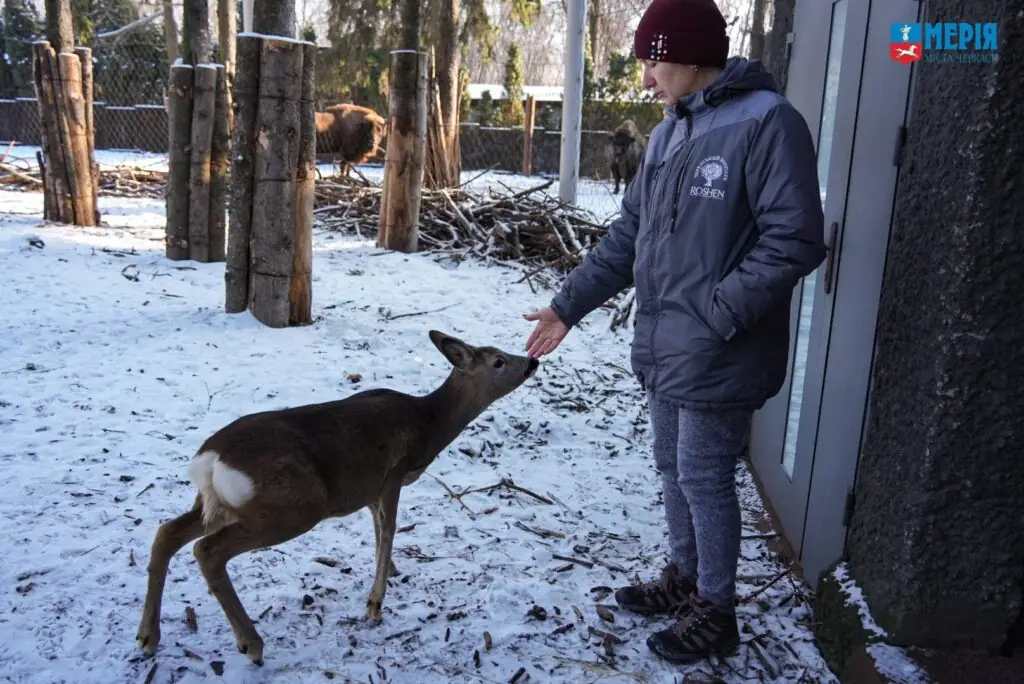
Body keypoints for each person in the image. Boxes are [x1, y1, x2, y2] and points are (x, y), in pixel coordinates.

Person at [522, 0, 827, 665]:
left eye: (652, 62)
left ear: (689, 55)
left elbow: (796, 237)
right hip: (668, 347)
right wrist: (568, 306)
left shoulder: (768, 123)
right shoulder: (668, 134)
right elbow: (629, 237)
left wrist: (720, 314)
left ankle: (715, 610)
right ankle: (685, 579)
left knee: (704, 473)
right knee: (673, 468)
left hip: (719, 345)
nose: (646, 80)